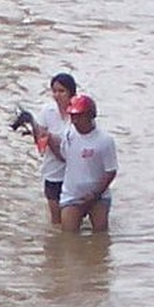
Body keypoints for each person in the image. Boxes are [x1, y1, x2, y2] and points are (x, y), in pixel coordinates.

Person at [50, 94, 117, 233]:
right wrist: (46, 138)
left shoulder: (105, 140)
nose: (75, 120)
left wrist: (95, 194)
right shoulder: (68, 134)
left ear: (90, 116)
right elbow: (62, 155)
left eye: (79, 116)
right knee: (68, 236)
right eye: (73, 116)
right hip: (72, 195)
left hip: (98, 197)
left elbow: (111, 171)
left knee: (100, 235)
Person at [31, 73, 76, 226]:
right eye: (54, 91)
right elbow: (40, 144)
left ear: (71, 92)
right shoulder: (47, 111)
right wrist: (39, 135)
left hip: (75, 173)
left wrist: (51, 138)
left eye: (62, 91)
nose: (57, 95)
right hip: (53, 172)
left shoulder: (78, 113)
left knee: (73, 219)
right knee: (57, 222)